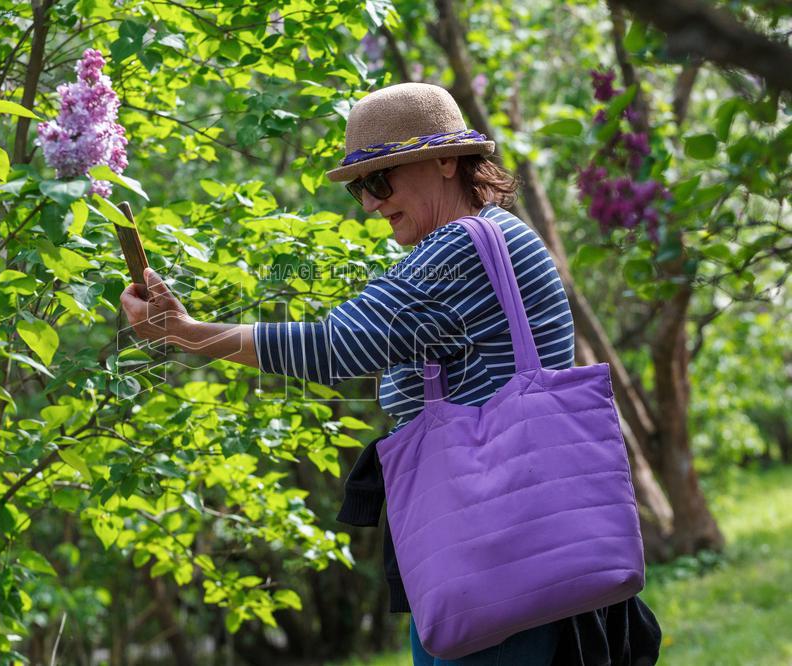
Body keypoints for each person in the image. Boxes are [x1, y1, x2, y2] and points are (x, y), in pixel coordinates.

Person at [121, 82, 577, 664]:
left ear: (446, 160)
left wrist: (185, 333)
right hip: (516, 541)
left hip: (497, 554)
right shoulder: (490, 239)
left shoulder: (460, 247)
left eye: (382, 180)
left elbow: (337, 346)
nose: (370, 203)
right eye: (361, 186)